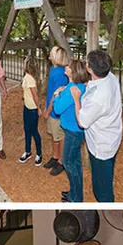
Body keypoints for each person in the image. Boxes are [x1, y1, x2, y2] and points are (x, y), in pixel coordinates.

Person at [71, 50, 123, 202]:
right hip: (111, 137)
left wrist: (76, 99)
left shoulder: (98, 99)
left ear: (89, 69)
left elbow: (82, 122)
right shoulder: (110, 77)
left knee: (102, 190)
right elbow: (95, 86)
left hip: (101, 147)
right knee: (106, 177)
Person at [53, 59, 89, 202]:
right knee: (76, 163)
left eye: (69, 67)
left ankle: (76, 198)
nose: (66, 67)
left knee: (68, 163)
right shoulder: (78, 85)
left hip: (73, 132)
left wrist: (57, 94)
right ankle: (75, 192)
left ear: (73, 72)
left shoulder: (72, 89)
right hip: (77, 131)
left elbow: (57, 109)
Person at [43, 46, 70, 174]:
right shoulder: (54, 70)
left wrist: (48, 110)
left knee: (60, 136)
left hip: (57, 112)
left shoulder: (60, 73)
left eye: (52, 51)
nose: (50, 52)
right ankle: (55, 156)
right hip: (52, 110)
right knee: (54, 135)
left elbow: (57, 95)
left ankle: (61, 161)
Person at [19, 59, 43, 165]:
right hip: (27, 107)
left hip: (32, 109)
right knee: (27, 130)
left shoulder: (30, 79)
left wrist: (38, 108)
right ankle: (28, 151)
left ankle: (39, 154)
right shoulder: (27, 76)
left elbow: (35, 95)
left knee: (34, 131)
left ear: (27, 65)